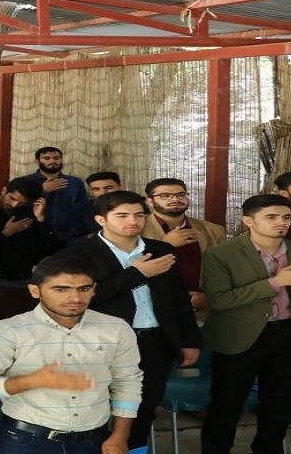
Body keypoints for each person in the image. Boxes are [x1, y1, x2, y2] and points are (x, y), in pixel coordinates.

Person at [58, 191, 202, 450]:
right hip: (102, 343)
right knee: (96, 407)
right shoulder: (79, 254)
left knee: (144, 409)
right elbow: (79, 298)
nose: (133, 221)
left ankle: (135, 449)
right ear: (101, 220)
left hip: (156, 341)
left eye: (139, 215)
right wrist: (137, 273)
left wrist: (189, 340)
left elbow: (178, 298)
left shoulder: (160, 249)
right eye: (122, 215)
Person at [0, 254, 142, 454]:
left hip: (95, 440)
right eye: (61, 289)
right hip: (24, 440)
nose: (75, 298)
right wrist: (30, 382)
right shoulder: (8, 331)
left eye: (84, 289)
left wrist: (120, 436)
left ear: (94, 289)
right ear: (35, 291)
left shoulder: (116, 328)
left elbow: (127, 382)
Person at [200, 194, 291, 454]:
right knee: (226, 405)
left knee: (279, 405)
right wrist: (277, 282)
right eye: (271, 217)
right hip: (238, 336)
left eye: (286, 217)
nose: (281, 222)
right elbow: (220, 300)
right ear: (248, 221)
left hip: (288, 334)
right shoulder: (221, 254)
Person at [0, 177, 61, 315]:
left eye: (22, 203)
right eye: (12, 198)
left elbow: (49, 248)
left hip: (24, 279)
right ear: (4, 191)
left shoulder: (31, 214)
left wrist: (41, 219)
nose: (14, 205)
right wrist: (5, 234)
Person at [139, 178, 227, 317]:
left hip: (199, 309)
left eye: (180, 195)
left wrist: (209, 298)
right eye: (165, 195)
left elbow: (224, 270)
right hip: (151, 309)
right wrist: (166, 245)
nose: (175, 199)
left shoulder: (213, 230)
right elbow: (129, 266)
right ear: (150, 201)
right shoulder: (137, 228)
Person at [28, 147, 97, 244]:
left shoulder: (75, 182)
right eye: (46, 158)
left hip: (70, 235)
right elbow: (20, 206)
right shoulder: (26, 182)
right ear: (37, 161)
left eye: (56, 158)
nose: (52, 161)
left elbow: (84, 208)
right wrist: (43, 191)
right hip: (36, 233)